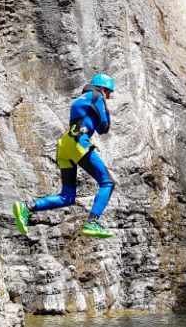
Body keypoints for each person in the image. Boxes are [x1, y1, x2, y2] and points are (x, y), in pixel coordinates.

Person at [12, 73, 116, 239]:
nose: (109, 97)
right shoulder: (97, 97)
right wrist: (107, 110)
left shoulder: (82, 98)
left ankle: (27, 207)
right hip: (78, 142)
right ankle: (92, 223)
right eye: (109, 93)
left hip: (65, 144)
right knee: (108, 182)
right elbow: (104, 128)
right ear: (103, 89)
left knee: (67, 196)